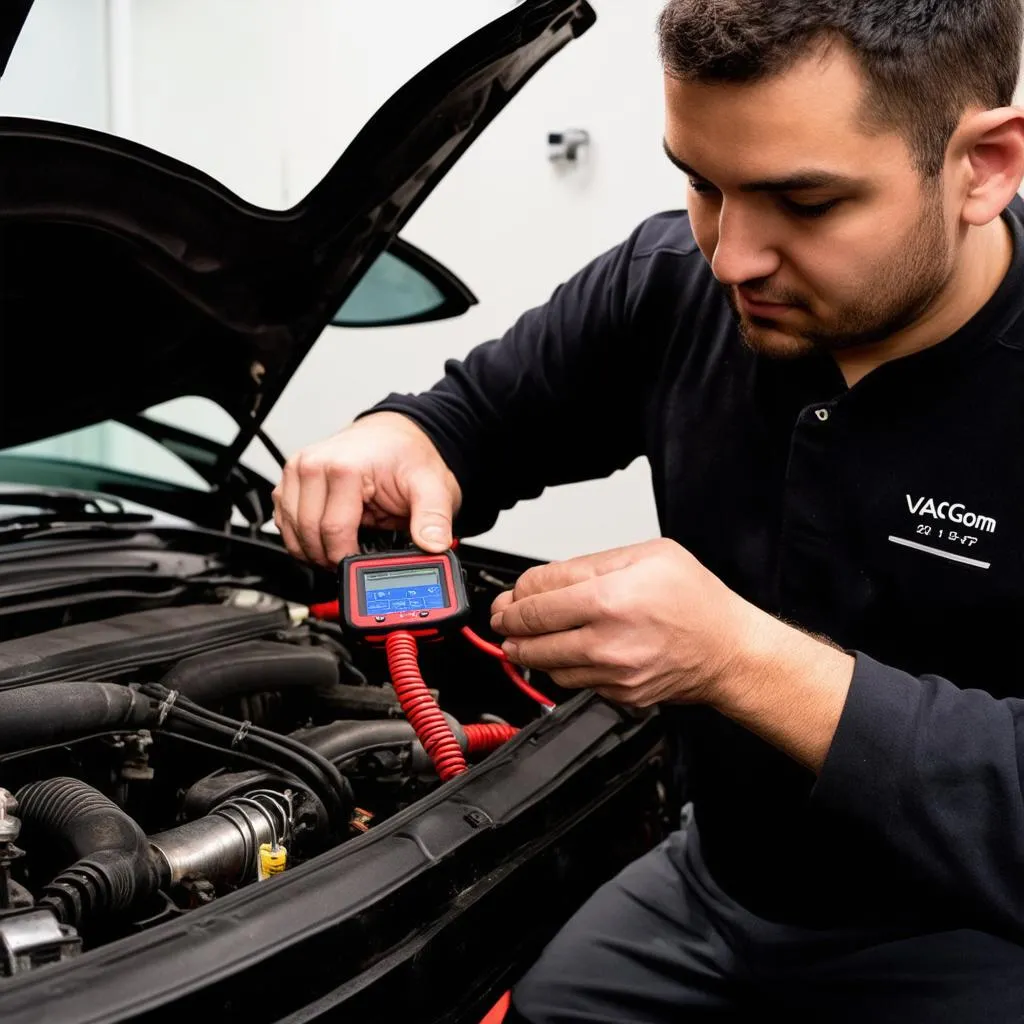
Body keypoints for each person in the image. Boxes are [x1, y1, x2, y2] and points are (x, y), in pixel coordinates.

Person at [273, 0, 1024, 1019]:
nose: (731, 258)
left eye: (803, 201)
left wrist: (740, 658)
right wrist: (402, 437)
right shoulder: (669, 282)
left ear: (982, 165)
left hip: (971, 936)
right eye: (701, 182)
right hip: (711, 886)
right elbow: (473, 418)